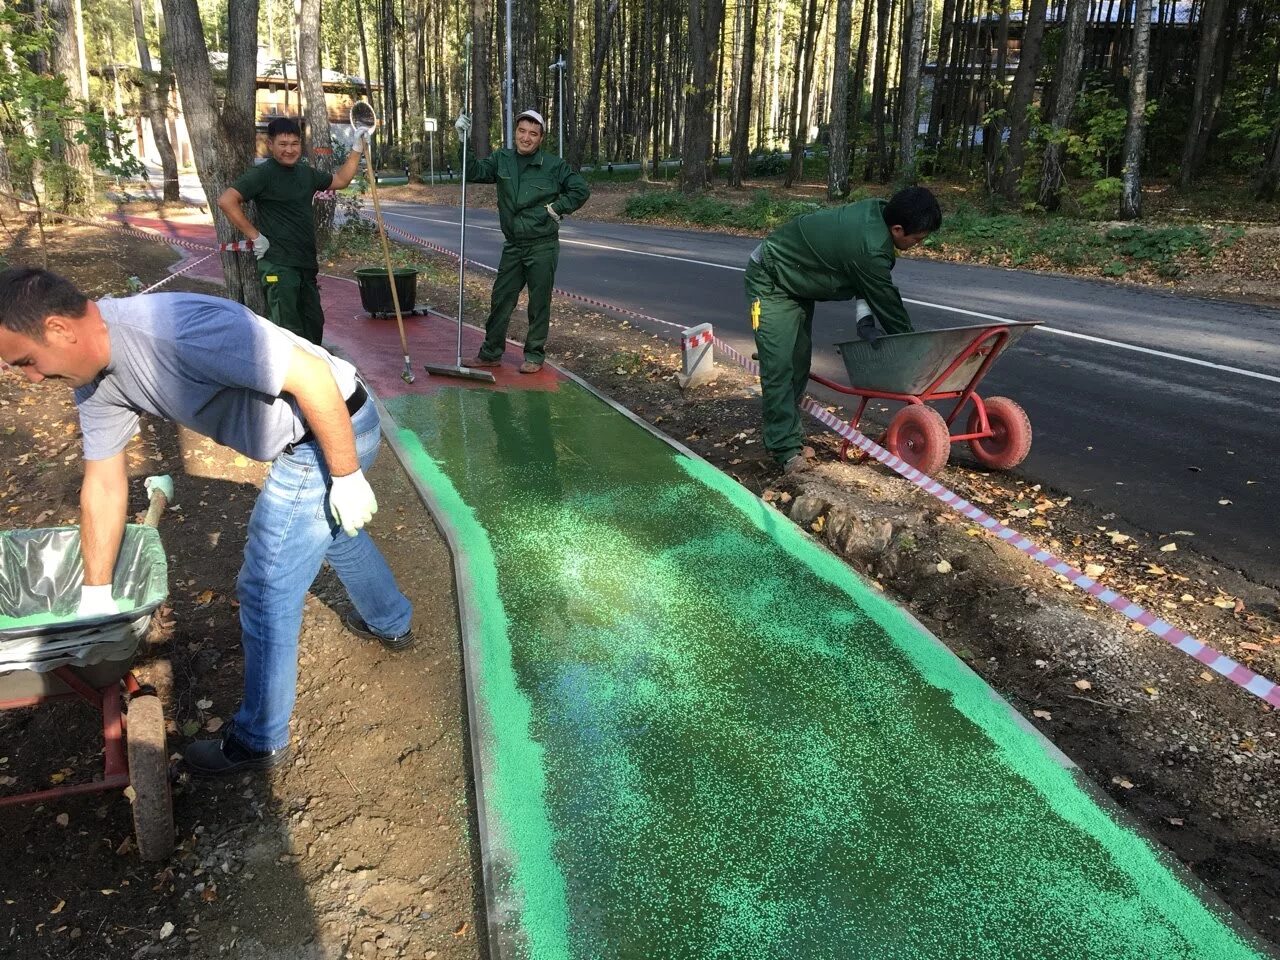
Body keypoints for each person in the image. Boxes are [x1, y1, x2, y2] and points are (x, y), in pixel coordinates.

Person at [0, 269, 415, 776]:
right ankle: (393, 622)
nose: (31, 379)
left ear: (60, 329)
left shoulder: (176, 330)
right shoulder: (94, 385)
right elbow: (105, 485)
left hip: (329, 427)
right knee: (332, 533)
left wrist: (346, 474)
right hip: (301, 435)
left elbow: (313, 378)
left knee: (265, 588)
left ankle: (259, 740)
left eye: (26, 362)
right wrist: (95, 600)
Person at [745, 186, 943, 474]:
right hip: (772, 280)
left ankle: (790, 434)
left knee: (798, 362)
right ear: (898, 229)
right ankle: (785, 450)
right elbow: (888, 305)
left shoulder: (880, 215)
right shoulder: (871, 245)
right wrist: (913, 353)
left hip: (799, 280)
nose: (918, 244)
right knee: (779, 365)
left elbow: (866, 279)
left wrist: (865, 320)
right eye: (917, 238)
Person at [453, 108, 590, 373]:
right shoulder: (502, 159)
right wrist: (463, 139)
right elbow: (473, 172)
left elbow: (580, 190)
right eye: (522, 131)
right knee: (501, 298)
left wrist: (557, 208)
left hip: (542, 245)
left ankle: (535, 355)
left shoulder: (554, 165)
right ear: (515, 132)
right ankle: (491, 352)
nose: (526, 138)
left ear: (541, 138)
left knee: (539, 302)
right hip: (513, 245)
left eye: (533, 134)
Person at [218, 117, 370, 345]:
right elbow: (227, 200)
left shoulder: (305, 173)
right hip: (279, 266)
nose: (289, 150)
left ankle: (312, 377)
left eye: (295, 143)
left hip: (305, 265)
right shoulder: (263, 174)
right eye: (283, 144)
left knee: (313, 324)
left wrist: (357, 148)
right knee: (287, 331)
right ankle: (288, 381)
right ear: (270, 145)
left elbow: (340, 180)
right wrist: (255, 236)